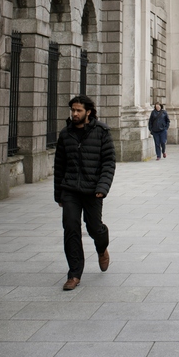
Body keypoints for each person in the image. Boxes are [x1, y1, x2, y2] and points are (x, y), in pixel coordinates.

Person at [54, 95, 116, 291]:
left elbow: (108, 163)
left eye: (78, 110)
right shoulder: (65, 134)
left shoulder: (102, 132)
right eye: (73, 110)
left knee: (94, 228)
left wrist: (102, 188)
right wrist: (59, 195)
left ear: (88, 112)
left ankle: (101, 248)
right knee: (71, 228)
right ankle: (74, 274)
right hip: (70, 190)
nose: (74, 113)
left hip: (93, 191)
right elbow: (59, 166)